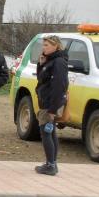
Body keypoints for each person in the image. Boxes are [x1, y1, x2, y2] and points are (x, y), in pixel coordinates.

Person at [35, 34, 69, 176]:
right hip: (46, 101)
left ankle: (50, 164)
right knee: (50, 131)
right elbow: (41, 79)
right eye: (43, 45)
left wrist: (53, 109)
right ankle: (52, 163)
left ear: (56, 46)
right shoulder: (49, 61)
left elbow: (59, 86)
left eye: (47, 45)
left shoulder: (59, 62)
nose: (44, 48)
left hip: (51, 103)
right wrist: (41, 64)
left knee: (46, 132)